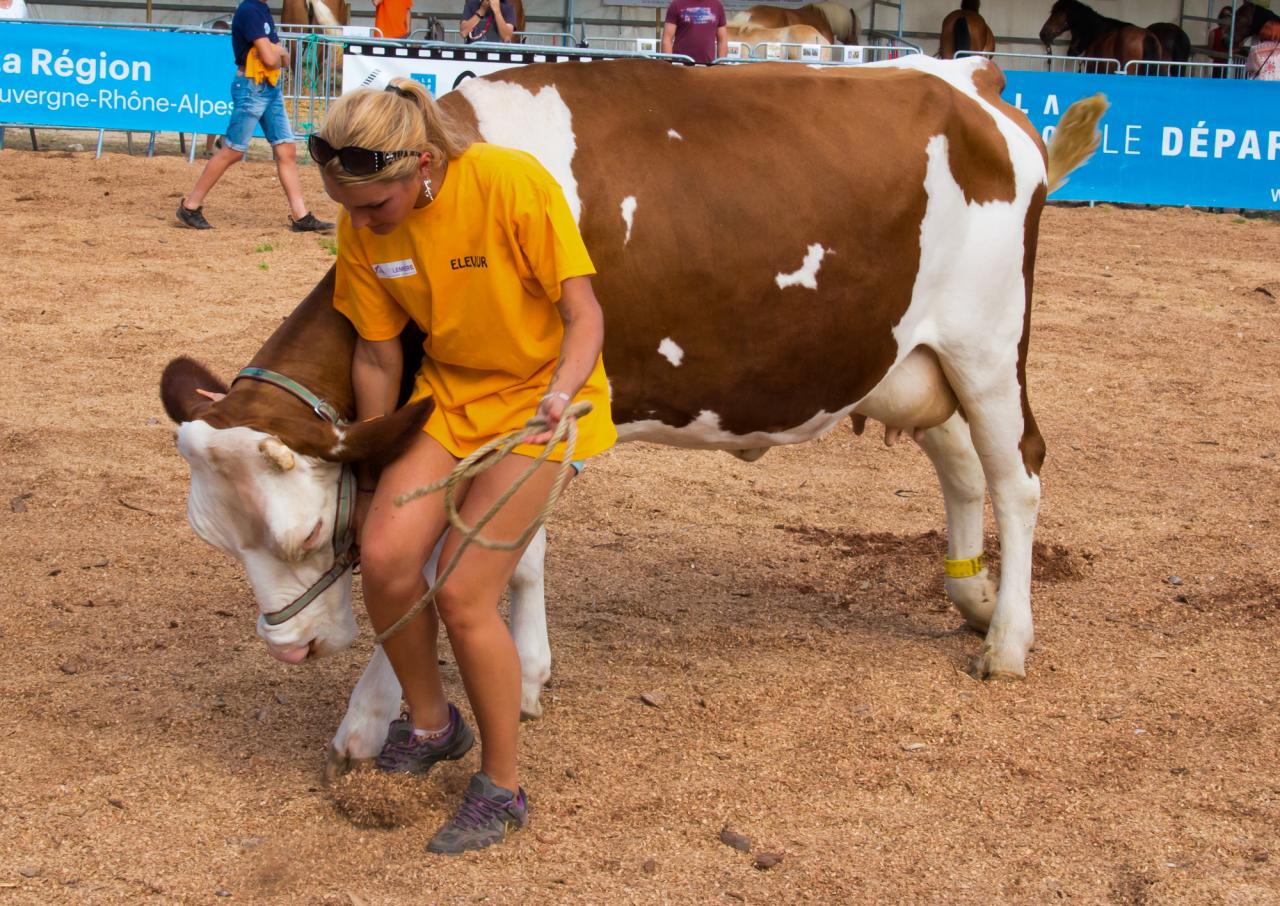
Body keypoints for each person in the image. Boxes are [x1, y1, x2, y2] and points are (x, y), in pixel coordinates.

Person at [311, 77, 616, 853]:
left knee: (464, 591)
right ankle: (432, 722)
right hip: (449, 399)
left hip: (544, 406)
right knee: (382, 557)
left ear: (421, 162)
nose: (363, 220)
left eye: (375, 204)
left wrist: (561, 391)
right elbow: (379, 353)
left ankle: (503, 788)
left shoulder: (509, 182)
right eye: (349, 206)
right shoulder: (364, 227)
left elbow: (584, 313)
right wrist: (374, 462)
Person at [176, 0, 333, 231]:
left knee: (285, 149)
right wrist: (277, 51)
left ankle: (301, 216)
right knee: (232, 151)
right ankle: (190, 206)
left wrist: (275, 52)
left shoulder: (260, 10)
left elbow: (281, 58)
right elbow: (274, 58)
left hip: (268, 87)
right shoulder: (250, 10)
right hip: (252, 87)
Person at [661, 0, 728, 64]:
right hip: (680, 66)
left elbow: (722, 40)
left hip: (707, 67)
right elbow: (667, 39)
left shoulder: (717, 5)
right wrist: (668, 65)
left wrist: (720, 65)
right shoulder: (676, 4)